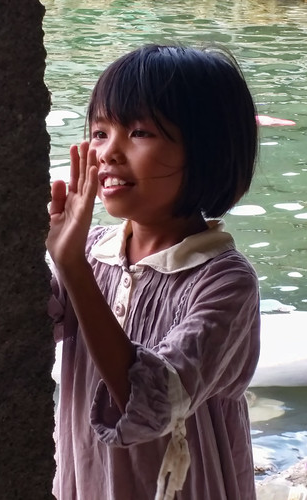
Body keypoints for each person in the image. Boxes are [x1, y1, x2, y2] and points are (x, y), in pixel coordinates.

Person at [46, 44, 260, 500]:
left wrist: (73, 267)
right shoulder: (92, 251)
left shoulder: (223, 282)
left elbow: (150, 402)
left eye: (139, 132)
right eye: (100, 132)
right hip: (88, 479)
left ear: (207, 150)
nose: (108, 153)